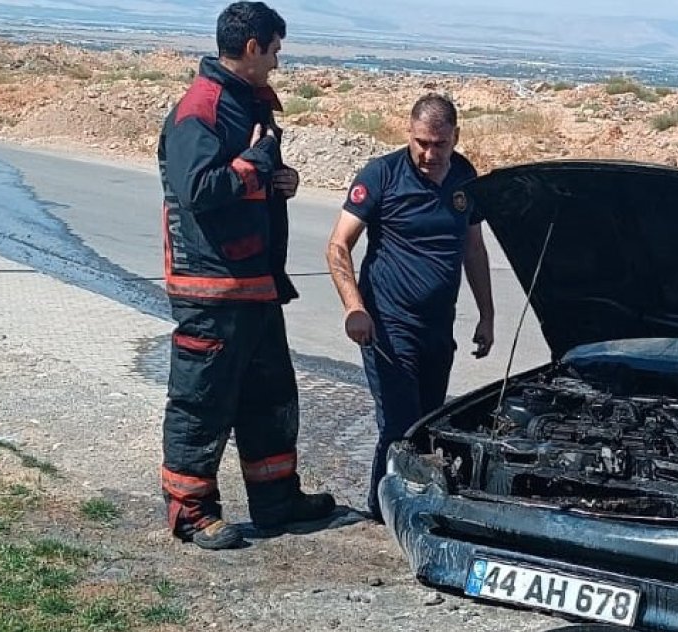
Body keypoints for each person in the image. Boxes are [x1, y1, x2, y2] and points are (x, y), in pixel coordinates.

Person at [157, 0, 334, 550]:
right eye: (276, 50)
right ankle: (190, 512)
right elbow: (200, 192)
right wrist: (256, 164)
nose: (279, 63)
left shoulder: (245, 102)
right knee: (202, 401)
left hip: (256, 285)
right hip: (210, 290)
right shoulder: (201, 107)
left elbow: (248, 180)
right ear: (253, 47)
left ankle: (277, 502)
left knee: (271, 398)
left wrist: (279, 178)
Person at [326, 93, 496, 523]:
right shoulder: (382, 176)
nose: (428, 153)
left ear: (455, 137)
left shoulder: (464, 176)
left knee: (428, 424)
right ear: (409, 133)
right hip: (387, 326)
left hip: (438, 328)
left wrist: (487, 315)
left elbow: (473, 249)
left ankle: (412, 507)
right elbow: (338, 245)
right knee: (400, 426)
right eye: (421, 141)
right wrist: (354, 308)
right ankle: (382, 514)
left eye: (439, 144)